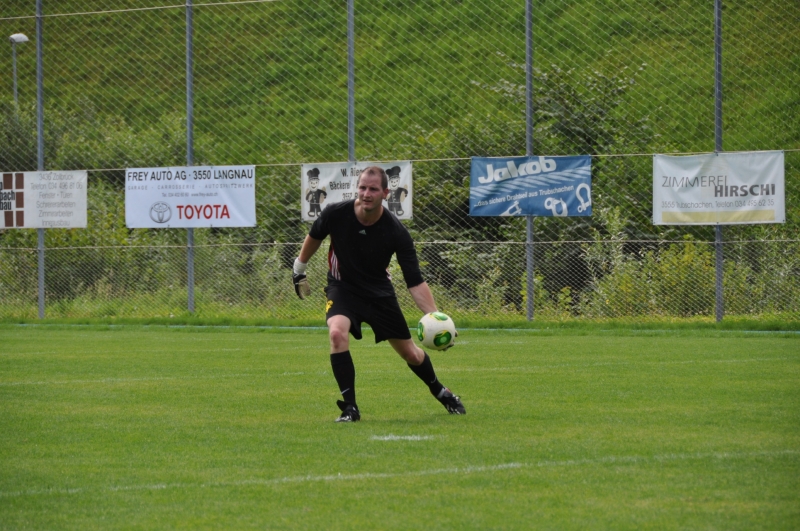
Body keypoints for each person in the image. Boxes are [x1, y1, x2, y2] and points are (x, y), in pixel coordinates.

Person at [292, 165, 465, 422]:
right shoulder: (336, 213)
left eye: (373, 189)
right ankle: (350, 408)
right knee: (337, 333)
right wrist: (299, 269)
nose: (366, 193)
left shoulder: (396, 231)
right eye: (362, 187)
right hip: (342, 288)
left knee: (411, 354)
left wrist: (438, 319)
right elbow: (315, 235)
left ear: (385, 193)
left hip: (379, 294)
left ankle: (441, 392)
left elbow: (415, 282)